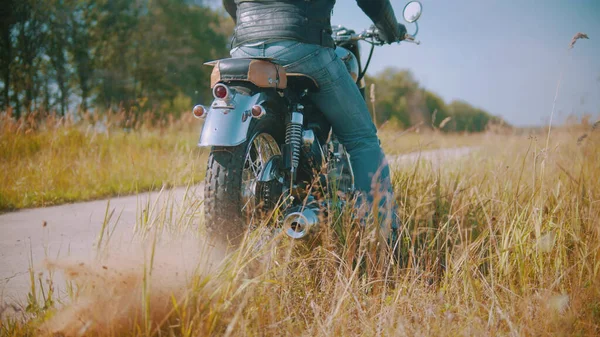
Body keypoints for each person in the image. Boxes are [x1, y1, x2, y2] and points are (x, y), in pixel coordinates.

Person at [222, 0, 406, 237]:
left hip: (244, 48)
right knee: (362, 140)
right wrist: (390, 30)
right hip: (303, 45)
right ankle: (380, 235)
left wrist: (249, 28)